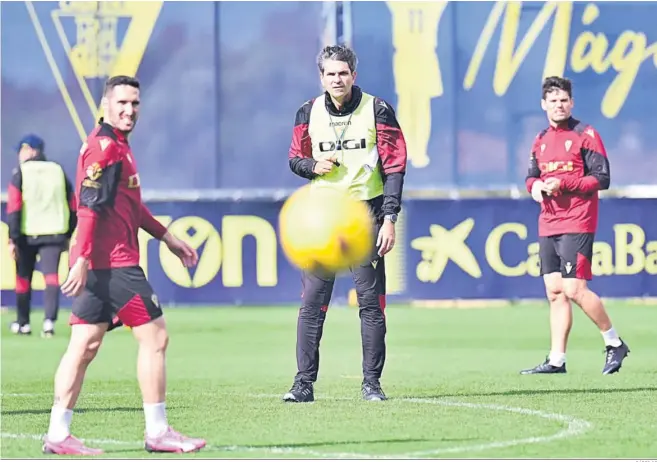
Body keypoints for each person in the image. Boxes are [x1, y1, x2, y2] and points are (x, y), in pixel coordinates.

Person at [42, 75, 206, 455]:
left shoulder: (116, 145)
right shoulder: (105, 149)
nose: (129, 110)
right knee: (155, 338)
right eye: (122, 103)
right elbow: (88, 207)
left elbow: (130, 206)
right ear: (105, 106)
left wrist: (167, 237)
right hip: (114, 267)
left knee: (83, 345)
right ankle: (158, 431)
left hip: (101, 268)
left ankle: (57, 434)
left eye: (135, 103)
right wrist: (80, 258)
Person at [284, 45, 408, 402]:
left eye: (343, 73)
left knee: (370, 303)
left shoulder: (378, 109)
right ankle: (303, 384)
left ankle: (372, 384)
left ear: (354, 74)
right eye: (330, 74)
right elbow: (295, 158)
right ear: (321, 77)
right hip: (321, 220)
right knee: (311, 304)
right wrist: (312, 166)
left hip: (364, 217)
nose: (337, 79)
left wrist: (389, 218)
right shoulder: (307, 112)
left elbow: (396, 166)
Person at [522, 76, 630, 375]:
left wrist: (565, 182)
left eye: (564, 100)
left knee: (574, 288)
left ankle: (614, 342)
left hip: (578, 219)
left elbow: (602, 178)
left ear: (572, 103)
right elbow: (531, 176)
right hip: (548, 221)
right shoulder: (541, 138)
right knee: (554, 290)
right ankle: (557, 359)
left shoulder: (586, 134)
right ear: (544, 104)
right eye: (553, 100)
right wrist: (536, 186)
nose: (559, 105)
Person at [7, 134, 76, 337]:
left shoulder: (20, 173)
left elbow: (14, 207)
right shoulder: (58, 170)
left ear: (31, 150)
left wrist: (13, 238)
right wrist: (68, 234)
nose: (20, 155)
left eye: (22, 150)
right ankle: (49, 323)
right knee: (51, 278)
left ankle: (23, 323)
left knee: (23, 279)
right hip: (54, 233)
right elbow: (73, 205)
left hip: (27, 235)